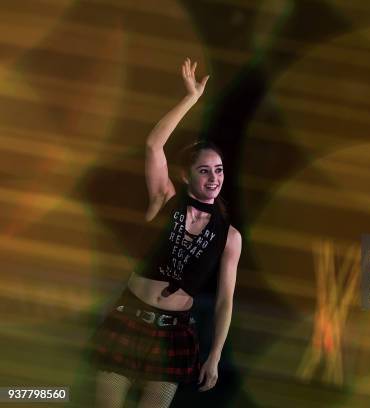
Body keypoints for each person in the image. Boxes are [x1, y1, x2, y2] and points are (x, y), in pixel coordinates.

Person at [90, 57, 242, 408]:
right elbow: (153, 146)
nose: (214, 178)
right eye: (204, 170)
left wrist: (215, 355)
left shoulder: (230, 236)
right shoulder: (165, 198)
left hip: (174, 334)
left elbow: (224, 301)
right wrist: (191, 99)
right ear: (187, 175)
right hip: (128, 321)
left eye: (218, 170)